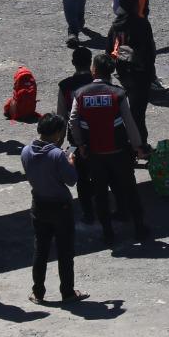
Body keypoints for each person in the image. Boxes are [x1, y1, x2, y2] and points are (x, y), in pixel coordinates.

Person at [68, 53, 150, 245]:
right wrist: (138, 146)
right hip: (119, 152)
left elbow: (73, 121)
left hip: (95, 154)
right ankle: (139, 228)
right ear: (110, 72)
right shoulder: (118, 94)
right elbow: (129, 123)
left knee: (100, 194)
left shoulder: (80, 94)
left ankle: (108, 234)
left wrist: (80, 145)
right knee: (130, 190)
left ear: (93, 70)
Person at [21, 113, 87, 304]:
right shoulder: (58, 155)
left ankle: (38, 292)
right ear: (58, 133)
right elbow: (71, 180)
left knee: (40, 250)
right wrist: (70, 162)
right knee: (65, 251)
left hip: (39, 204)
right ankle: (67, 292)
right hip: (60, 206)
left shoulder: (26, 151)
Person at [57, 47, 99, 224]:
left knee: (81, 176)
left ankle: (88, 212)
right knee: (100, 171)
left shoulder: (65, 85)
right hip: (99, 135)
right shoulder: (98, 82)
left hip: (75, 139)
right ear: (90, 63)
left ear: (73, 63)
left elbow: (61, 117)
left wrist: (58, 145)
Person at [108, 0, 156, 143]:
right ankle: (139, 145)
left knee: (130, 110)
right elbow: (150, 51)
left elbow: (109, 49)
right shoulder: (142, 24)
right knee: (138, 113)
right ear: (136, 4)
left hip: (123, 73)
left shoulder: (116, 25)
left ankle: (131, 141)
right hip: (140, 74)